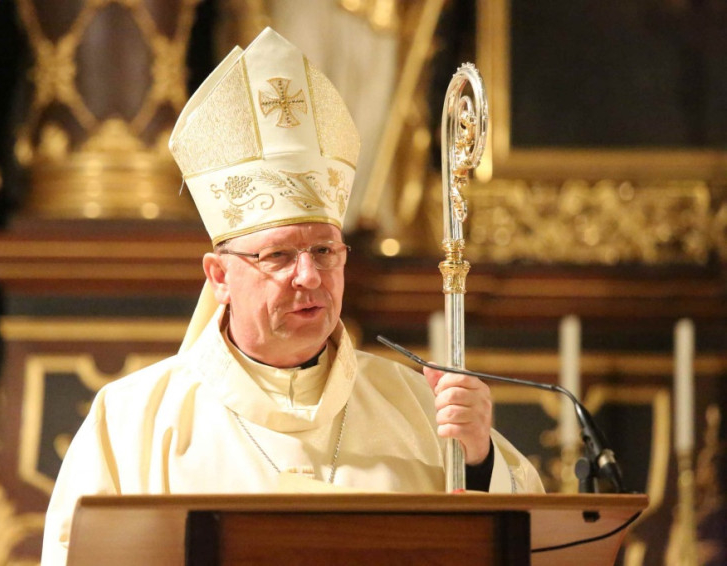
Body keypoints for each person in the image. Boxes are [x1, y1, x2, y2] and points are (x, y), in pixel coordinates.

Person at [41, 27, 544, 565]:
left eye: (324, 251)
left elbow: (536, 542)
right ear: (219, 275)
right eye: (278, 255)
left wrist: (478, 460)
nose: (309, 276)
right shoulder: (131, 421)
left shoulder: (421, 410)